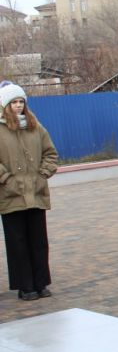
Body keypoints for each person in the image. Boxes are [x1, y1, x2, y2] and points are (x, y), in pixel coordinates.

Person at [0, 83, 58, 300]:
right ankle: (25, 286)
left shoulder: (35, 126)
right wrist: (6, 179)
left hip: (35, 193)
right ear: (6, 105)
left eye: (21, 102)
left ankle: (41, 283)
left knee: (38, 241)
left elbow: (51, 153)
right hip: (10, 195)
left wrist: (43, 175)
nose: (18, 106)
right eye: (13, 102)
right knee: (18, 243)